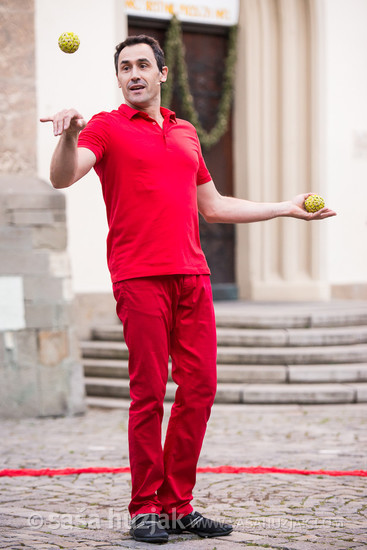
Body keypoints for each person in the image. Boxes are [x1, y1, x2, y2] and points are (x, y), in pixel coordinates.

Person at [41, 34, 336, 544]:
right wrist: (68, 136)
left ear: (162, 74)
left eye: (141, 65)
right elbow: (64, 178)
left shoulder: (186, 132)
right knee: (149, 394)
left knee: (199, 390)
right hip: (139, 278)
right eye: (124, 67)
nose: (133, 73)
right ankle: (145, 507)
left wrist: (284, 208)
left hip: (193, 277)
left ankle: (178, 505)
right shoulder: (106, 128)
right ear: (117, 78)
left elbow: (215, 206)